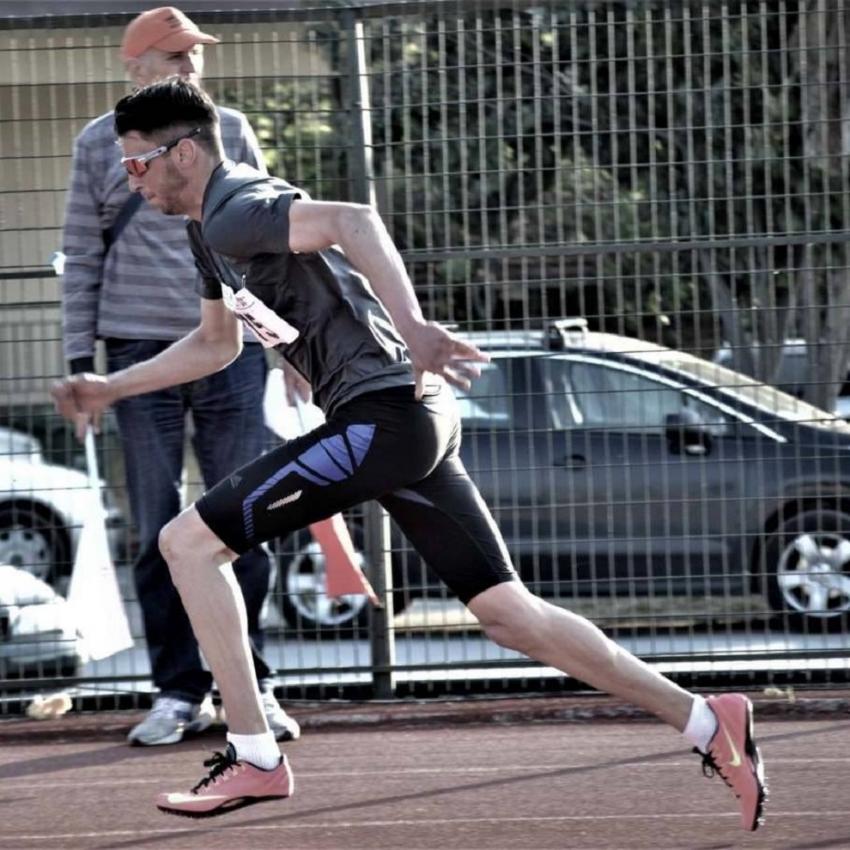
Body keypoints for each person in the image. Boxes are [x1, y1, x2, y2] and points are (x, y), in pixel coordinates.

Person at [52, 77, 768, 830]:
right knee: (509, 614)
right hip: (406, 419)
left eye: (135, 164)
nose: (128, 180)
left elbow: (354, 221)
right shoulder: (209, 233)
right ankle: (705, 719)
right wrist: (110, 386)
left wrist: (417, 327)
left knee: (187, 543)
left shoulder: (236, 208)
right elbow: (213, 345)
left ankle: (256, 754)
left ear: (184, 153)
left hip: (385, 418)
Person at [60, 7, 299, 746]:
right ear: (135, 67)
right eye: (173, 56)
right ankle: (177, 692)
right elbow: (81, 251)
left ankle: (251, 686)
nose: (190, 67)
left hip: (232, 353)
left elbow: (266, 247)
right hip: (138, 355)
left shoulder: (232, 129)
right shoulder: (98, 144)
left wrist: (287, 349)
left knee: (244, 520)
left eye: (194, 55)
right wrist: (81, 365)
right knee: (156, 529)